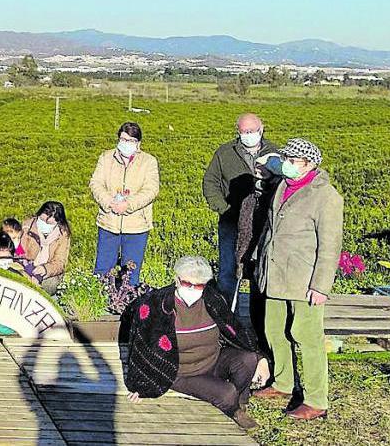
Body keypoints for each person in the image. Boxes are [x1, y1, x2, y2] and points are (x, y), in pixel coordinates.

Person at [252, 138, 343, 421]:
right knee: (274, 330)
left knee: (307, 336)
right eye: (287, 159)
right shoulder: (283, 186)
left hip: (304, 279)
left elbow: (330, 246)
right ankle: (283, 383)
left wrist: (321, 286)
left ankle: (316, 399)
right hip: (275, 274)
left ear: (310, 165)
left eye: (294, 161)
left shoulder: (326, 196)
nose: (287, 165)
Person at [124, 256, 269, 430]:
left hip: (212, 360)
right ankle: (234, 408)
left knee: (249, 359)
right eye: (187, 284)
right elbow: (143, 346)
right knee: (226, 392)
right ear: (177, 280)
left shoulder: (213, 299)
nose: (193, 289)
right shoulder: (157, 304)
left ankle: (240, 400)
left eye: (199, 285)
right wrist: (142, 386)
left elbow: (235, 330)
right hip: (181, 371)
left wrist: (261, 358)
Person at [202, 113, 282, 303]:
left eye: (252, 131)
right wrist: (224, 209)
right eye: (244, 131)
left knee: (259, 268)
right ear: (238, 132)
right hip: (231, 222)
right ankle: (227, 315)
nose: (248, 134)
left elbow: (284, 182)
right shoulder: (224, 153)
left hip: (264, 223)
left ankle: (259, 315)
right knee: (228, 270)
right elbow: (210, 182)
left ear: (261, 129)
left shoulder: (275, 152)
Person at [89, 121, 159, 286]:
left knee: (130, 273)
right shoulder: (106, 158)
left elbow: (151, 190)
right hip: (108, 222)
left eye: (131, 141)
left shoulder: (148, 161)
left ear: (138, 143)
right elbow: (95, 183)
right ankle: (99, 303)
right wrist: (109, 202)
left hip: (136, 225)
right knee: (102, 270)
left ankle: (126, 304)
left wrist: (128, 204)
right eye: (123, 139)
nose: (126, 143)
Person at [28, 201, 71, 295]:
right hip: (26, 266)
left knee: (50, 285)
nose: (44, 225)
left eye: (49, 224)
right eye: (42, 221)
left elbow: (60, 262)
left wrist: (45, 269)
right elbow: (19, 252)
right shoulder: (27, 226)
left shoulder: (62, 235)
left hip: (46, 271)